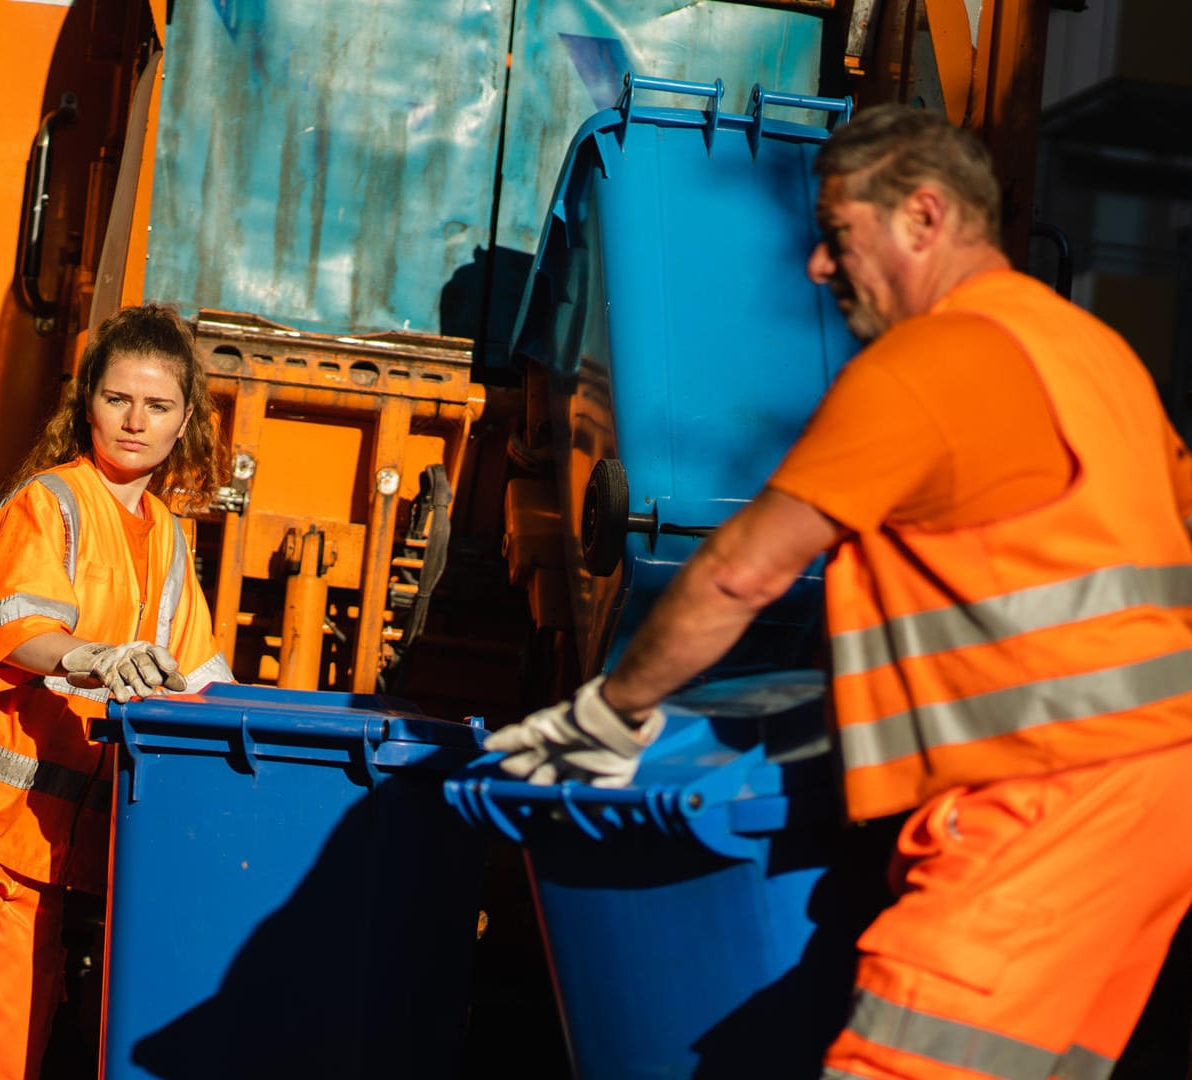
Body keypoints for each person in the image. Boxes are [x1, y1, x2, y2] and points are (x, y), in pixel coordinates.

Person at [487, 104, 1192, 1078]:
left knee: (902, 1063)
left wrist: (609, 711)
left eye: (837, 234)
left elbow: (742, 569)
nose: (819, 266)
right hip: (1153, 797)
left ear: (926, 217)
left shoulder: (932, 361)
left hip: (1043, 793)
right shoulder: (1095, 355)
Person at [0, 303, 234, 1079]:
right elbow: (21, 631)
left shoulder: (166, 539)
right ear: (86, 399)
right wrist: (93, 656)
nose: (135, 421)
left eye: (158, 405)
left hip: (43, 859)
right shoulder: (48, 502)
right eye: (117, 399)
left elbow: (205, 682)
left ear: (184, 420)